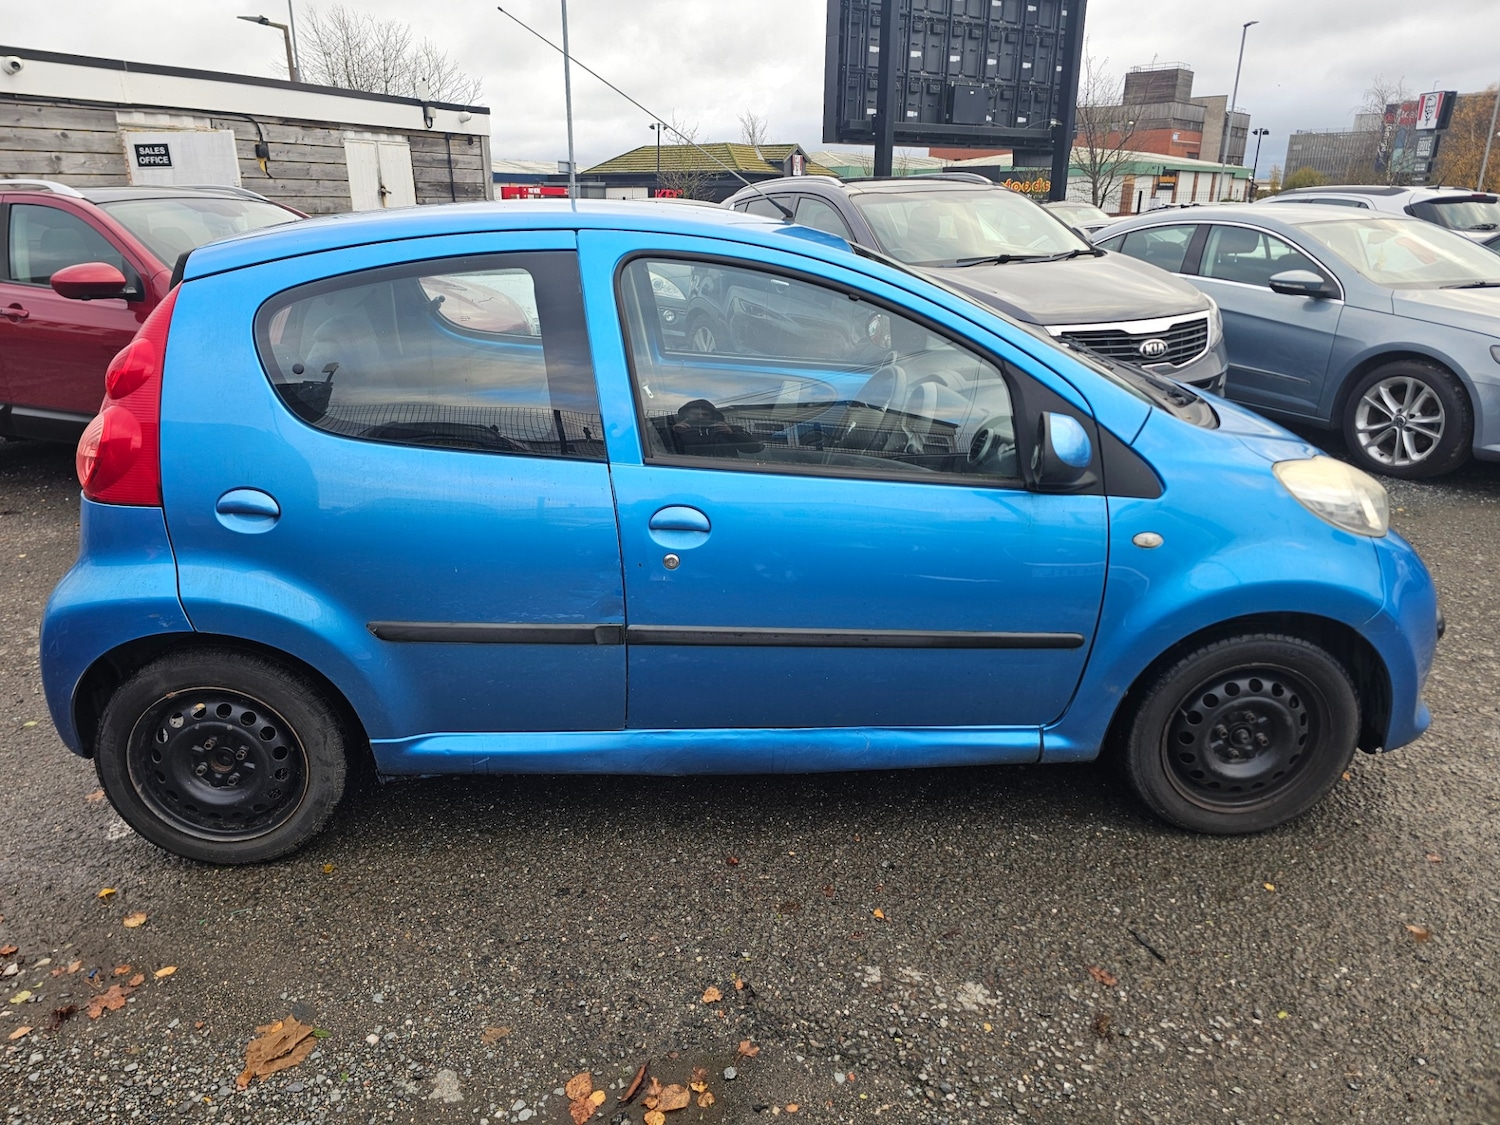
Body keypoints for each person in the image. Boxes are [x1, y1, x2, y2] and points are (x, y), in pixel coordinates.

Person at [670, 398, 764, 457]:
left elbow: (757, 447)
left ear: (713, 416)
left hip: (725, 470)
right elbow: (661, 450)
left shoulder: (727, 429)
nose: (700, 417)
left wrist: (732, 435)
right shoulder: (674, 430)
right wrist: (675, 433)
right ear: (685, 415)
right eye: (695, 414)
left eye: (705, 414)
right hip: (686, 470)